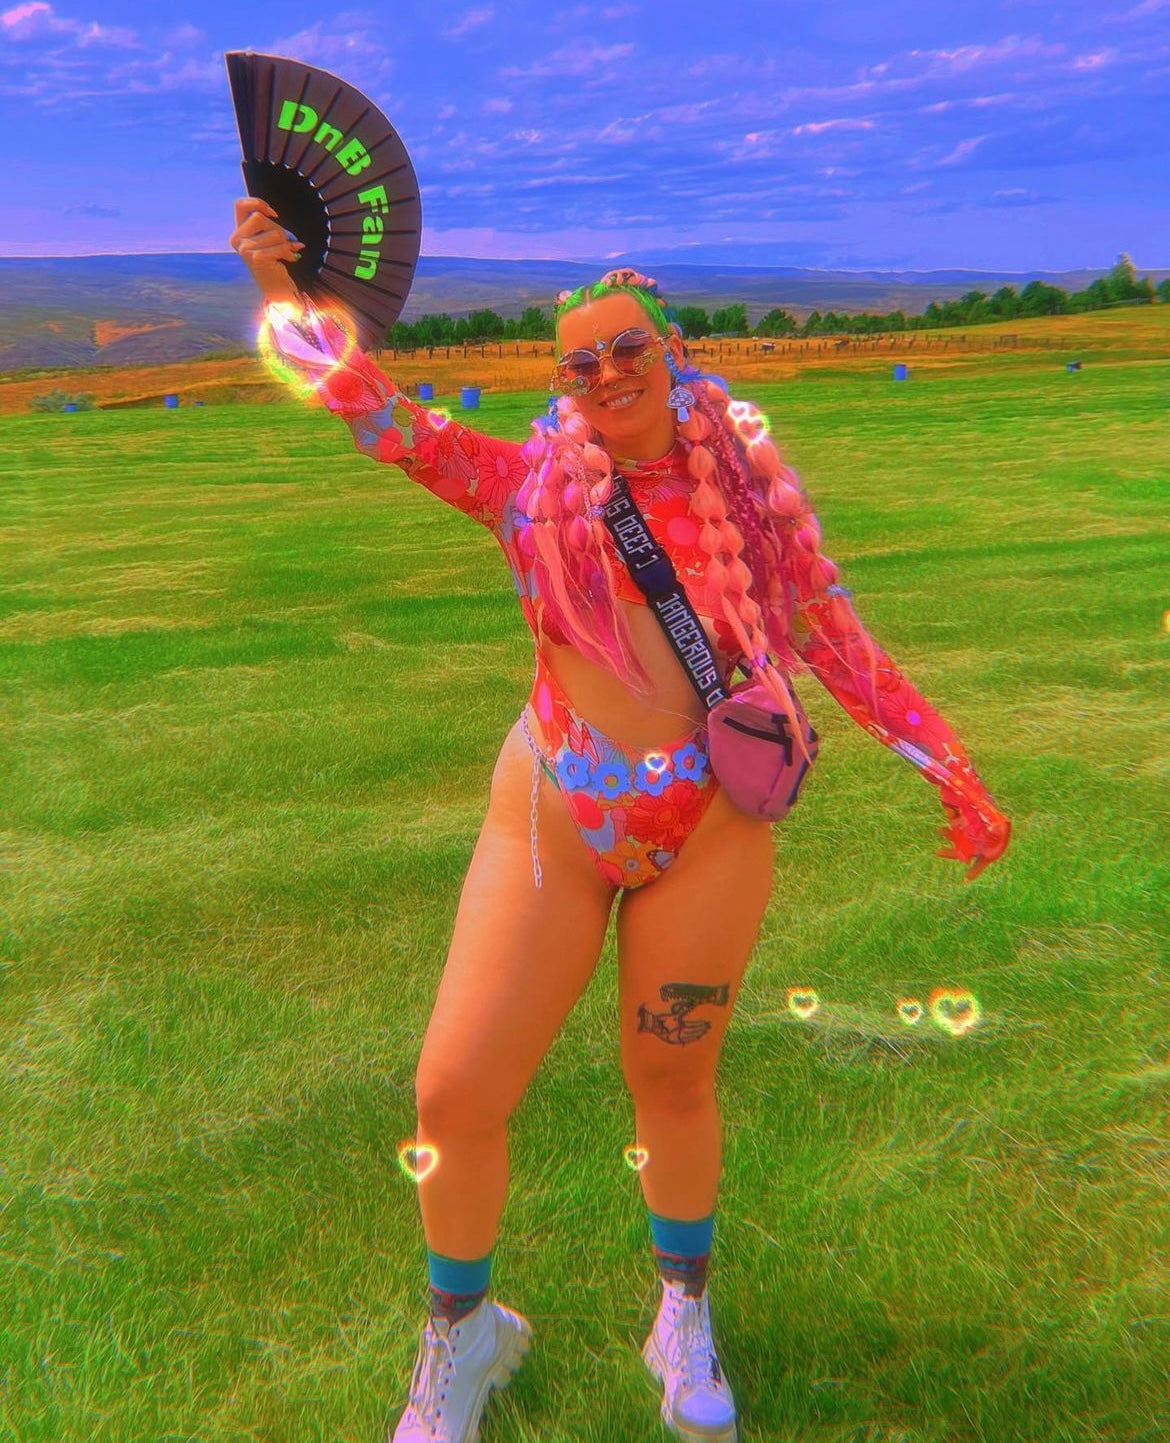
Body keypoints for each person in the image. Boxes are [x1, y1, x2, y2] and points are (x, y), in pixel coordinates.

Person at [229, 196, 1011, 1443]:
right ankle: (463, 1335)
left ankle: (681, 1312)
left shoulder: (748, 506)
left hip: (710, 829)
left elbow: (834, 636)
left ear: (673, 349)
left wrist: (943, 762)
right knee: (453, 1091)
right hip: (556, 812)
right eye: (578, 363)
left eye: (627, 348)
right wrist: (284, 288)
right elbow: (379, 413)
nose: (604, 374)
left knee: (674, 1077)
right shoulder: (522, 490)